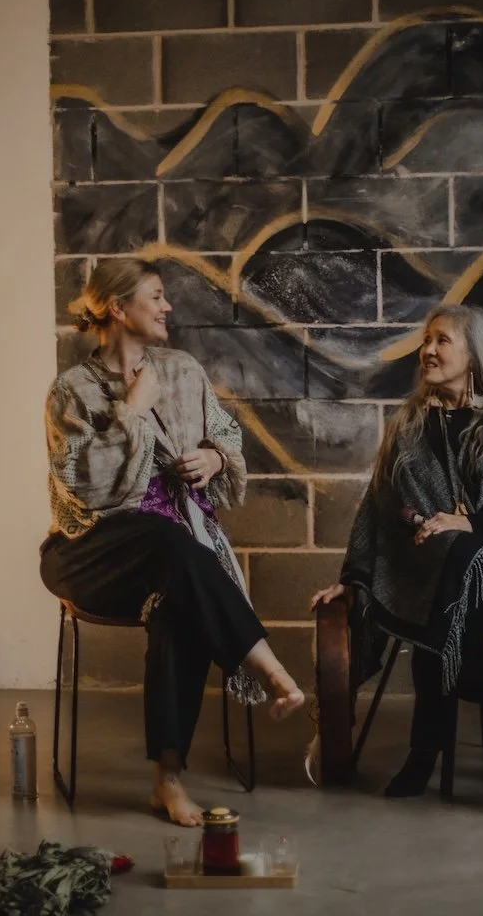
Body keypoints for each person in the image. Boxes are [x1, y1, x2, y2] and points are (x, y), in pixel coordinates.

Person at [39, 257, 305, 826]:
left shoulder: (182, 370)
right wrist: (131, 411)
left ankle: (168, 780)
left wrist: (213, 458)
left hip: (173, 554)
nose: (168, 307)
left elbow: (227, 438)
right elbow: (90, 490)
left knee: (179, 587)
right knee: (169, 542)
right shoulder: (71, 392)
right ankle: (266, 664)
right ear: (118, 308)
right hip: (90, 553)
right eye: (156, 296)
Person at [309, 305, 483, 798]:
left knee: (459, 559)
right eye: (426, 341)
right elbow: (379, 507)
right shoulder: (408, 427)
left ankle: (423, 753)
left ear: (476, 354)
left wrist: (467, 523)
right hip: (418, 568)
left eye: (442, 341)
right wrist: (355, 576)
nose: (427, 351)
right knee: (451, 559)